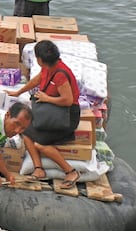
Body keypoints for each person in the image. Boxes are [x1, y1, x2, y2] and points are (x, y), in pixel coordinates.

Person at [8, 39, 82, 188]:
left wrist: (46, 98)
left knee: (40, 144)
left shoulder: (60, 74)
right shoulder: (48, 68)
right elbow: (37, 80)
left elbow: (68, 100)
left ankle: (71, 171)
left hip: (66, 116)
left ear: (40, 59)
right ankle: (38, 169)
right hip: (51, 111)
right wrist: (18, 91)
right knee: (26, 132)